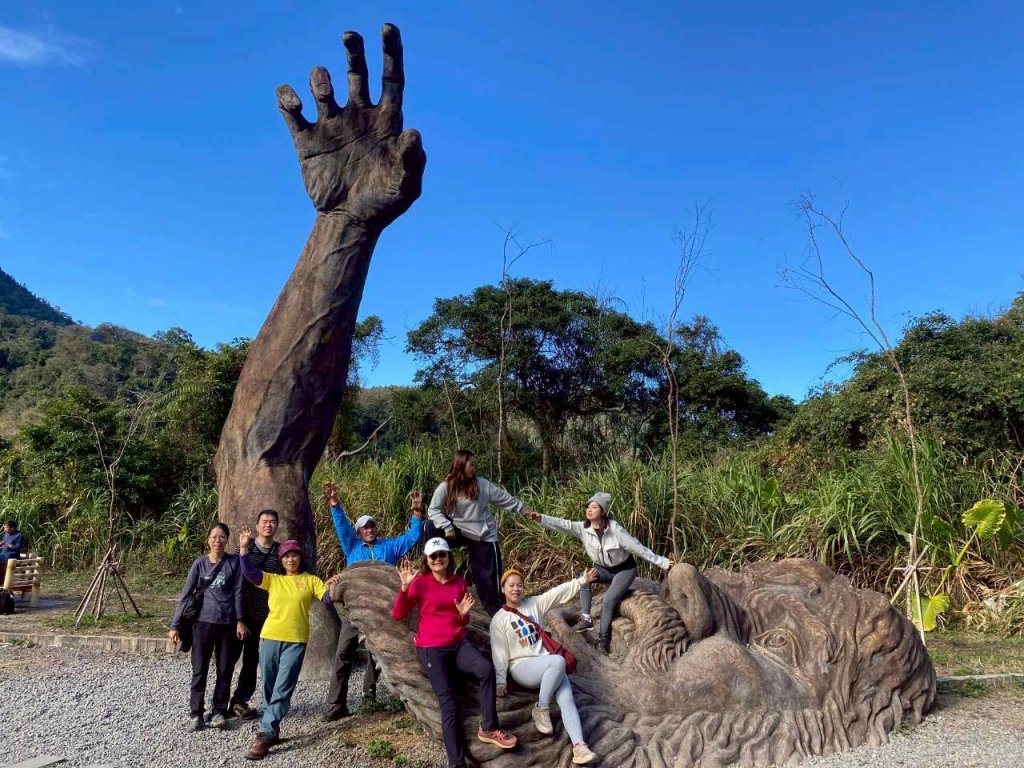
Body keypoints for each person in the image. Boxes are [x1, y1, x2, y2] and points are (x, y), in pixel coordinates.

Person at [393, 537, 517, 768]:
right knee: (449, 703)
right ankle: (456, 763)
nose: (438, 559)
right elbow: (398, 614)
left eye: (442, 554)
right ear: (427, 561)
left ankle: (489, 727)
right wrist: (404, 587)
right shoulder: (419, 583)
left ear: (449, 557)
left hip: (458, 643)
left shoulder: (459, 583)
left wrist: (463, 614)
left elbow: (463, 620)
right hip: (431, 649)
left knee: (485, 669)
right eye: (433, 556)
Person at [238, 527, 342, 761]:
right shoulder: (273, 580)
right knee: (268, 685)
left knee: (283, 687)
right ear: (281, 560)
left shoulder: (310, 580)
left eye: (294, 554)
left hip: (295, 640)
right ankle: (272, 728)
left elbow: (326, 597)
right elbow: (250, 574)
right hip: (270, 636)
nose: (291, 558)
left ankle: (265, 733)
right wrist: (244, 549)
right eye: (286, 555)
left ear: (300, 558)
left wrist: (333, 586)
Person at [324, 482, 424, 720]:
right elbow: (341, 525)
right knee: (343, 652)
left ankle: (369, 697)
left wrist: (417, 512)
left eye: (371, 526)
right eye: (364, 527)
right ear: (358, 533)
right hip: (354, 611)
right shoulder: (352, 547)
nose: (369, 530)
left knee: (377, 652)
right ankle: (336, 703)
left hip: (381, 610)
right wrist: (335, 503)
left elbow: (412, 537)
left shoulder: (389, 547)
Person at [532, 492, 673, 652]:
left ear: (603, 512)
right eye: (588, 506)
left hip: (624, 569)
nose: (589, 509)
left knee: (608, 600)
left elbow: (638, 548)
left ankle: (603, 641)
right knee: (584, 578)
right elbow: (562, 525)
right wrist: (541, 518)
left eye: (594, 507)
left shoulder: (615, 530)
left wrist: (663, 563)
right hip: (603, 569)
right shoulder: (583, 528)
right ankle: (586, 618)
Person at [490, 568, 600, 765]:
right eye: (511, 586)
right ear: (503, 589)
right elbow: (499, 653)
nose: (516, 589)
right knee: (558, 661)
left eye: (519, 585)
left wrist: (582, 580)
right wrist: (500, 680)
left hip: (547, 666)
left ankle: (579, 746)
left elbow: (557, 593)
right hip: (522, 667)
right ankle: (541, 708)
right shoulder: (499, 619)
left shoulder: (534, 604)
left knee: (567, 698)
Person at [426, 449, 536, 615]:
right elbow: (433, 510)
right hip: (459, 530)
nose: (473, 468)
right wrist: (446, 526)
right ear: (461, 465)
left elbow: (503, 498)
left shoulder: (482, 484)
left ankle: (500, 615)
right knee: (429, 526)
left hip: (483, 534)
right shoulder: (446, 486)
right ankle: (433, 573)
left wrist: (524, 510)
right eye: (471, 465)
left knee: (488, 582)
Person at [169, 522, 246, 731]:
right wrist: (175, 626)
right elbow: (185, 596)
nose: (217, 541)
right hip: (202, 623)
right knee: (199, 669)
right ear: (208, 540)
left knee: (225, 669)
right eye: (214, 537)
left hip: (227, 624)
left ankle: (219, 710)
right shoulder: (199, 564)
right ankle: (196, 713)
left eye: (222, 537)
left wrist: (240, 620)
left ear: (227, 540)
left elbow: (239, 593)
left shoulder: (234, 563)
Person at [229, 509, 283, 720]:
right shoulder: (244, 548)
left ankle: (239, 700)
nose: (268, 525)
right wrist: (238, 618)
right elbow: (233, 581)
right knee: (228, 659)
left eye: (272, 521)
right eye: (264, 522)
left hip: (266, 616)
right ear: (257, 526)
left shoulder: (280, 552)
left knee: (252, 660)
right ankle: (219, 704)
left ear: (277, 525)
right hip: (240, 614)